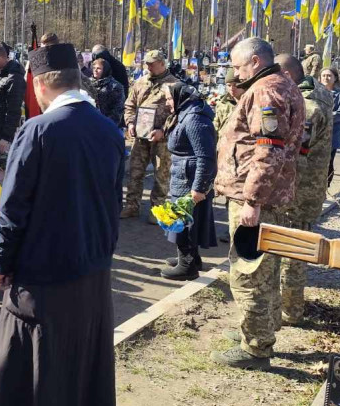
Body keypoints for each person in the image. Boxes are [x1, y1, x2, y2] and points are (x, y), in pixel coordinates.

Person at [0, 43, 122, 406]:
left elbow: (13, 208)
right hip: (92, 270)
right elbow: (113, 203)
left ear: (42, 84)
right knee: (83, 361)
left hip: (43, 275)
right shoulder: (109, 131)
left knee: (34, 365)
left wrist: (2, 263)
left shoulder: (38, 131)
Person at [212, 38, 304, 370]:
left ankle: (255, 347)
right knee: (266, 270)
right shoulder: (280, 84)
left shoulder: (266, 90)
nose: (235, 74)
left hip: (256, 199)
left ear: (254, 61)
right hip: (266, 196)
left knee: (249, 272)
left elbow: (268, 149)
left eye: (237, 67)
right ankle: (258, 328)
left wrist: (253, 199)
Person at [275, 54, 333, 326]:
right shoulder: (312, 92)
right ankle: (283, 309)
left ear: (287, 76)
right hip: (301, 188)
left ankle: (289, 312)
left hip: (299, 191)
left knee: (292, 255)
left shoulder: (308, 106)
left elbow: (296, 152)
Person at [158, 82, 218, 280]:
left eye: (168, 98)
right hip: (184, 176)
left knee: (186, 222)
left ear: (179, 97)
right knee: (185, 220)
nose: (167, 103)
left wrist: (199, 187)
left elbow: (205, 156)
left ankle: (187, 266)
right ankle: (191, 259)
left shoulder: (194, 118)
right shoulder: (186, 112)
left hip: (190, 179)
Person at [122, 50, 177, 220]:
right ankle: (132, 205)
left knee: (161, 174)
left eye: (152, 63)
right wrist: (130, 123)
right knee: (135, 171)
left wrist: (163, 131)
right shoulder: (140, 83)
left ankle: (157, 210)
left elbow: (178, 114)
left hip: (162, 139)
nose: (148, 66)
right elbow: (129, 106)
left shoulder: (175, 85)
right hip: (141, 137)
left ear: (162, 63)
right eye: (146, 63)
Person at [321, 67, 340, 185]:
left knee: (328, 161)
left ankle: (326, 185)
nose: (326, 78)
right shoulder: (315, 92)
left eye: (329, 76)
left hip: (332, 132)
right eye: (323, 76)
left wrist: (322, 117)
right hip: (315, 132)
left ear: (335, 78)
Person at [91, 57, 126, 127]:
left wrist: (105, 124)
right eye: (94, 68)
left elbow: (118, 110)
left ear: (105, 70)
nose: (95, 70)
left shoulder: (115, 86)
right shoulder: (88, 84)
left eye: (98, 68)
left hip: (107, 126)